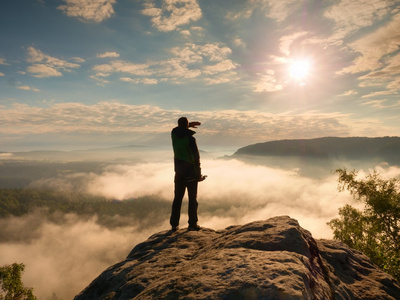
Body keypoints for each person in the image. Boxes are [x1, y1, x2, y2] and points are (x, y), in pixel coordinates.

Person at [170, 117, 206, 231]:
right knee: (192, 199)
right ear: (186, 125)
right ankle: (192, 224)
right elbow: (196, 159)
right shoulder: (191, 139)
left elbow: (178, 129)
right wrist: (199, 175)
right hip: (191, 174)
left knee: (177, 199)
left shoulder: (174, 135)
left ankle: (174, 225)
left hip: (179, 173)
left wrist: (188, 124)